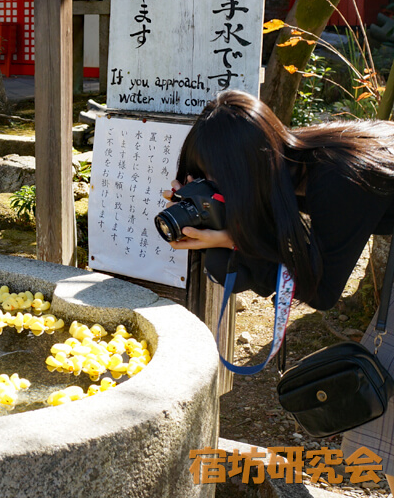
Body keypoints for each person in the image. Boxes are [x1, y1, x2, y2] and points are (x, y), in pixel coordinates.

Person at [162, 89, 394, 489]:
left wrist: (234, 240)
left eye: (216, 180)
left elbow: (322, 293)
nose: (211, 188)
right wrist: (206, 206)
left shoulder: (338, 178)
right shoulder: (285, 159)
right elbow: (284, 242)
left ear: (245, 170)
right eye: (200, 177)